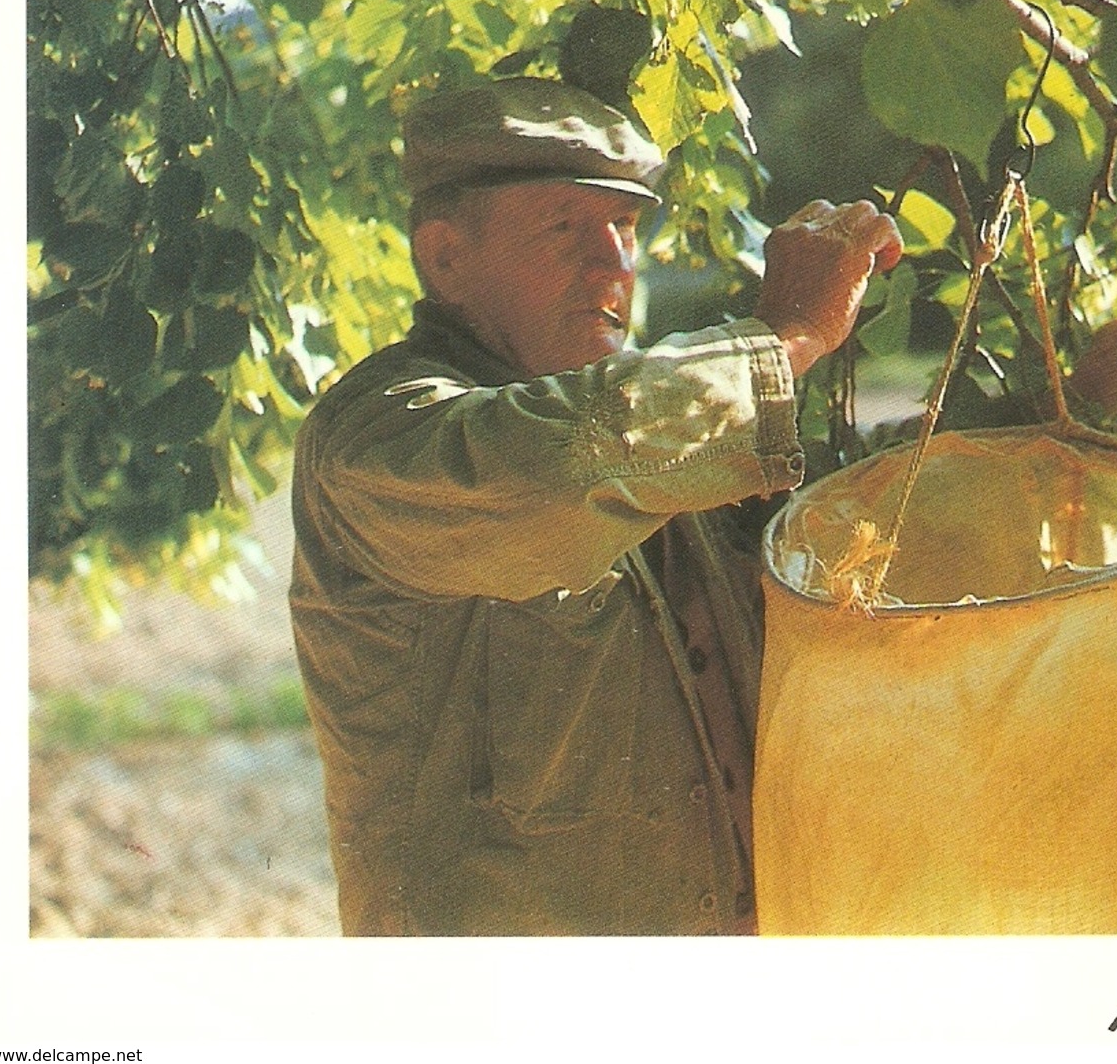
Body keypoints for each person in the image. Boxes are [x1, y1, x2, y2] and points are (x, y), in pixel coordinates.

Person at [288, 77, 902, 935]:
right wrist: (785, 338)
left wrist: (1068, 423)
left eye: (623, 229)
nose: (614, 265)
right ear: (445, 258)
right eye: (565, 228)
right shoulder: (380, 438)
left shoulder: (651, 435)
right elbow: (547, 468)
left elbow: (850, 517)